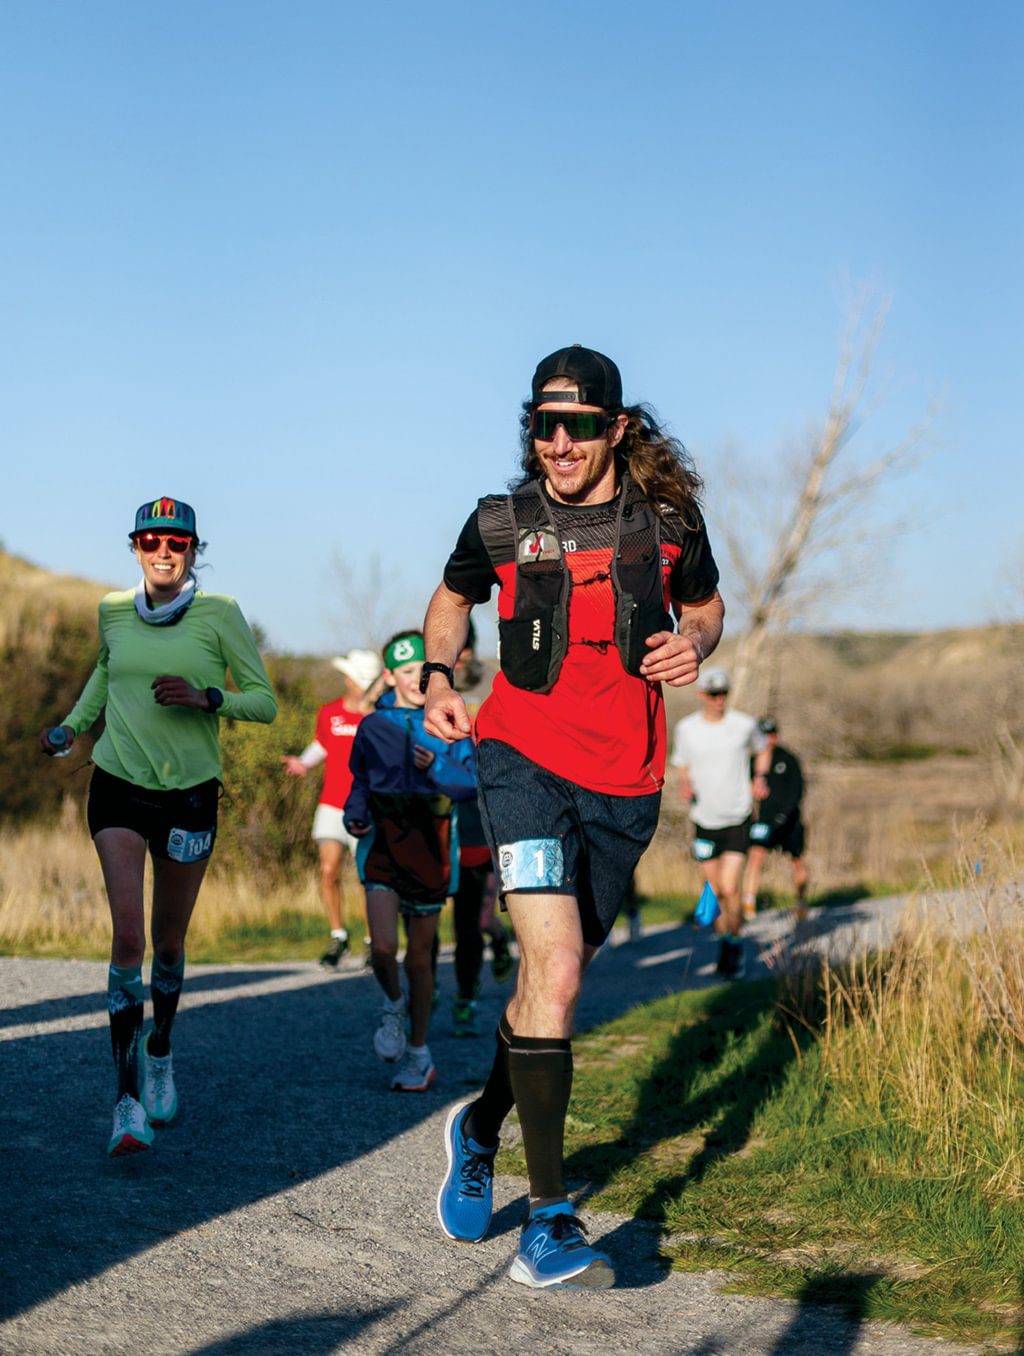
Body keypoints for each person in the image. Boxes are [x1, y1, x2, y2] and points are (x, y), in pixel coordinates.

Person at [423, 344, 723, 1289]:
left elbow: (708, 606)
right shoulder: (501, 521)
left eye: (579, 424)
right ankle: (548, 1223)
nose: (558, 441)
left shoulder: (668, 523)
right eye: (543, 423)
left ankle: (476, 1128)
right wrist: (439, 674)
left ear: (615, 428)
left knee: (553, 989)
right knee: (549, 971)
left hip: (625, 785)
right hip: (517, 761)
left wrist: (694, 644)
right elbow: (450, 598)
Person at [39, 497, 277, 1156]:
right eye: (151, 541)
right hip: (117, 786)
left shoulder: (221, 614)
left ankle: (161, 1049)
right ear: (136, 546)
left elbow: (265, 700)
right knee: (127, 936)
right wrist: (71, 728)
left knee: (169, 944)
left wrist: (209, 699)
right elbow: (106, 675)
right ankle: (125, 1100)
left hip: (190, 799)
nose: (163, 552)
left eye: (176, 542)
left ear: (194, 549)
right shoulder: (113, 610)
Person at [343, 630, 477, 1092]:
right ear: (389, 677)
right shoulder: (372, 727)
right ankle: (393, 1005)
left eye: (424, 671)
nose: (417, 680)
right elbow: (358, 779)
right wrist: (354, 813)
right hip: (382, 844)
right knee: (382, 948)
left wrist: (435, 768)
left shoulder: (450, 721)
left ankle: (419, 1054)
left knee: (420, 960)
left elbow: (468, 784)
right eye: (406, 672)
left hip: (432, 845)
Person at [280, 648, 383, 968]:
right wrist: (303, 763)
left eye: (350, 676)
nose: (344, 680)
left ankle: (372, 941)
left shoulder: (380, 718)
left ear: (359, 682)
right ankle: (338, 936)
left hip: (367, 807)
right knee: (328, 871)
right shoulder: (329, 713)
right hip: (331, 804)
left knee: (367, 876)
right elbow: (322, 744)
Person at [669, 667, 771, 978]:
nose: (719, 699)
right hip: (704, 819)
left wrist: (760, 776)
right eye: (713, 694)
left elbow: (764, 748)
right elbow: (680, 763)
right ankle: (725, 938)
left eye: (723, 693)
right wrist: (684, 783)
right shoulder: (687, 729)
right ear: (702, 695)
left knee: (730, 886)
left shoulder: (743, 725)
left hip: (737, 816)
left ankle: (735, 945)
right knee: (713, 891)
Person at [450, 619, 513, 1038]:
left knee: (471, 919)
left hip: (481, 812)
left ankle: (466, 996)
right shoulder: (423, 685)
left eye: (461, 652)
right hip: (434, 817)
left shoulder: (492, 682)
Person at [742, 716, 809, 920]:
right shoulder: (753, 762)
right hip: (764, 820)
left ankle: (801, 901)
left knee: (797, 860)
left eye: (771, 735)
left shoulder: (788, 759)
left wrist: (785, 814)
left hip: (788, 819)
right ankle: (749, 904)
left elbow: (798, 789)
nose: (768, 740)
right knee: (755, 856)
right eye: (764, 736)